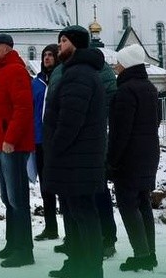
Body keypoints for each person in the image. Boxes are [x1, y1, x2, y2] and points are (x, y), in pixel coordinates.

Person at [44, 25, 107, 278]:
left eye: (64, 41)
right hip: (76, 158)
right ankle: (77, 266)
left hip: (75, 157)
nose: (59, 45)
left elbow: (70, 120)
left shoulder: (78, 74)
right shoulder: (76, 71)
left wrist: (55, 148)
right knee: (76, 215)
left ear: (77, 45)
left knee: (84, 216)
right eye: (59, 40)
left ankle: (90, 269)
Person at [0, 33, 36, 268]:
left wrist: (10, 139)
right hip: (1, 145)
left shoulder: (15, 70)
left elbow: (23, 108)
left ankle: (25, 250)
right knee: (8, 198)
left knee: (18, 199)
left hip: (12, 146)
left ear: (5, 48)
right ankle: (12, 244)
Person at [108, 44, 161, 273]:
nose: (116, 66)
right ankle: (150, 253)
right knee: (144, 204)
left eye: (118, 63)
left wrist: (111, 161)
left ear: (127, 64)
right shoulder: (150, 88)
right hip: (149, 153)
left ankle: (141, 255)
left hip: (129, 158)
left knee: (129, 206)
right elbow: (155, 121)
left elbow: (121, 132)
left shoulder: (125, 91)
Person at [32, 44, 60, 241]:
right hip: (40, 141)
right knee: (46, 186)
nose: (47, 58)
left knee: (65, 188)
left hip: (59, 140)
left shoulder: (63, 79)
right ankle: (51, 227)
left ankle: (74, 233)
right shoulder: (36, 82)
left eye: (51, 55)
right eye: (45, 55)